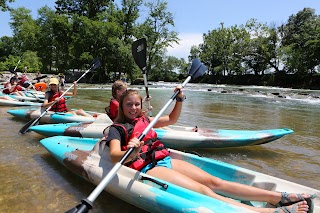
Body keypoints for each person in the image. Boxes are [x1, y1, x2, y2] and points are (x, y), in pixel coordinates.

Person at [104, 88, 313, 213]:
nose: (133, 108)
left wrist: (179, 100)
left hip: (164, 159)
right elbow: (114, 156)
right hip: (148, 168)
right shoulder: (117, 129)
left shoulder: (146, 121)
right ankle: (263, 211)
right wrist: (129, 152)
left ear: (141, 106)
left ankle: (278, 197)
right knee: (204, 191)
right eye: (129, 104)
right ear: (121, 107)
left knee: (216, 182)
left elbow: (173, 119)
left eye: (136, 104)